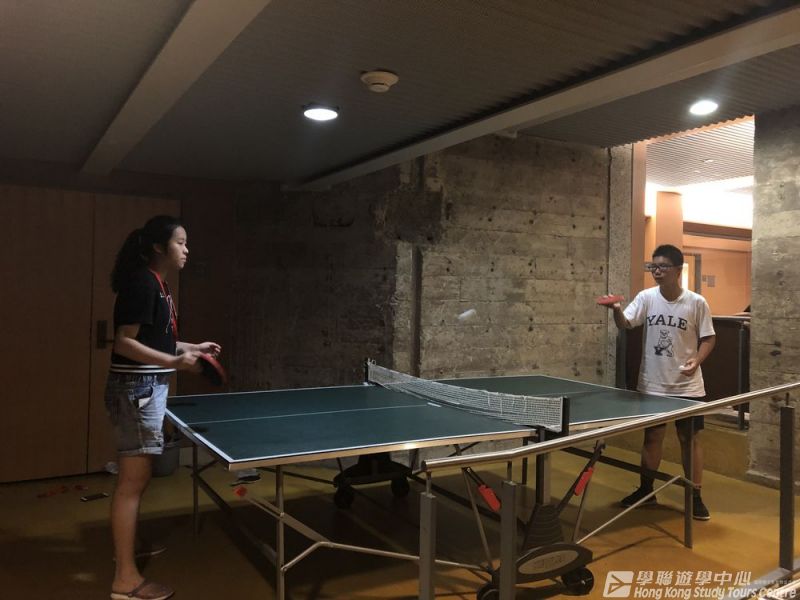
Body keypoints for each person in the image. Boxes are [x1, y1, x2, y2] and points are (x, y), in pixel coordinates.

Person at [106, 216, 220, 600]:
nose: (187, 249)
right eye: (180, 242)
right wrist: (174, 362)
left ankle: (127, 552)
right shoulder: (142, 284)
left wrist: (191, 348)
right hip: (136, 391)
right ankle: (125, 580)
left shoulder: (158, 284)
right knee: (132, 484)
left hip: (145, 389)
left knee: (136, 482)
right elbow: (124, 342)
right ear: (159, 247)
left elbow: (156, 341)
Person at [603, 244, 716, 521]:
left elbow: (709, 338)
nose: (657, 271)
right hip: (652, 384)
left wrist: (697, 360)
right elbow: (625, 324)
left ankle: (695, 495)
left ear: (678, 270)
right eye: (653, 266)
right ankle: (646, 490)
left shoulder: (696, 302)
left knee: (690, 439)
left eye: (663, 266)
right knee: (652, 437)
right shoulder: (646, 297)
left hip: (688, 387)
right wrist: (616, 309)